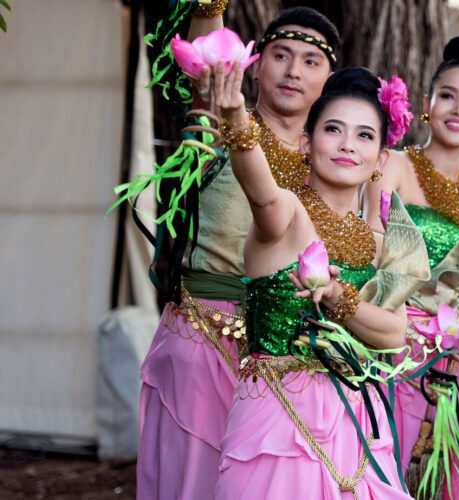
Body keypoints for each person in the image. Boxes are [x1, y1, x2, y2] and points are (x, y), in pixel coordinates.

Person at [137, 6, 340, 498]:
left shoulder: (336, 158)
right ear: (255, 64)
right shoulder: (223, 124)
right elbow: (206, 70)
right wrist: (209, 7)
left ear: (329, 79)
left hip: (286, 363)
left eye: (312, 61)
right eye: (281, 55)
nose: (293, 71)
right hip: (204, 342)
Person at [213, 61, 427, 498]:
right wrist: (235, 116)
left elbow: (393, 335)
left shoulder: (377, 242)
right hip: (279, 421)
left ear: (380, 159)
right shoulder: (287, 212)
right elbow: (260, 190)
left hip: (359, 424)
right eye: (334, 130)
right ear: (307, 142)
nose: (349, 145)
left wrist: (335, 296)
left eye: (365, 135)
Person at [366, 35, 459, 498]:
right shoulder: (394, 167)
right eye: (448, 95)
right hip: (387, 348)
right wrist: (403, 333)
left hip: (452, 362)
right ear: (428, 104)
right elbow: (368, 260)